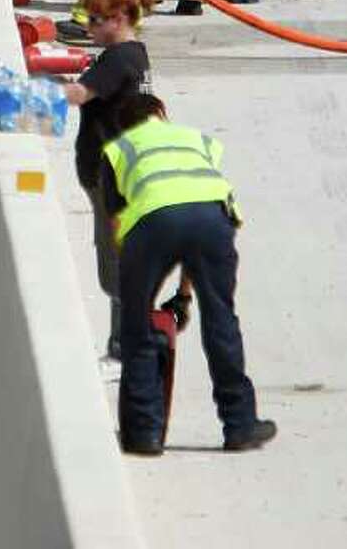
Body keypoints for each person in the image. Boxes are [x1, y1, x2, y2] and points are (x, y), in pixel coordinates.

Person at [102, 92, 276, 457]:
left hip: (152, 224)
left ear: (125, 126)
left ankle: (144, 434)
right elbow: (194, 209)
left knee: (136, 328)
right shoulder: (197, 139)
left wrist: (140, 292)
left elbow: (118, 223)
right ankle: (240, 424)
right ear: (161, 113)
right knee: (221, 320)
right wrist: (184, 295)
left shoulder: (118, 150)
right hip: (212, 219)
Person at [61, 0, 152, 363]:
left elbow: (80, 95)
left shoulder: (118, 61)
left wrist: (25, 93)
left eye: (95, 21)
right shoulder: (134, 55)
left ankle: (124, 345)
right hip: (122, 170)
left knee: (115, 261)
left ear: (118, 20)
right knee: (120, 256)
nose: (89, 29)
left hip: (110, 175)